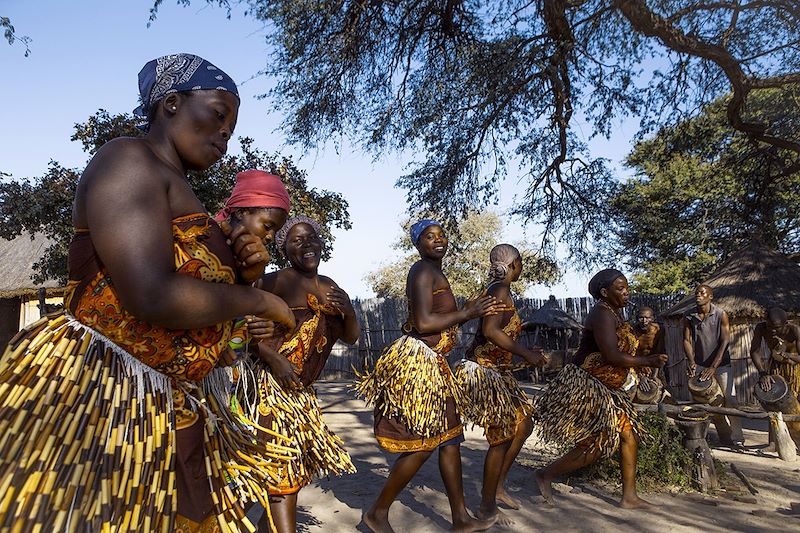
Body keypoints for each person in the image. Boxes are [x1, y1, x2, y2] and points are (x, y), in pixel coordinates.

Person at [0, 54, 298, 531]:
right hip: (107, 401)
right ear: (172, 104)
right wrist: (261, 300)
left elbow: (204, 301)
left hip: (169, 402)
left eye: (233, 125)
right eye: (219, 115)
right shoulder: (128, 159)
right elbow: (152, 294)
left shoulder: (183, 192)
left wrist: (246, 274)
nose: (226, 133)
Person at [357, 219, 501, 533]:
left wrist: (467, 309)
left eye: (441, 234)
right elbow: (423, 323)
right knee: (423, 444)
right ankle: (377, 513)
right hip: (419, 363)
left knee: (450, 440)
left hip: (435, 365)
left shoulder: (435, 272)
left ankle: (461, 519)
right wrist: (469, 313)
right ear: (418, 244)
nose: (438, 240)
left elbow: (439, 317)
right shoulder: (422, 271)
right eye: (429, 236)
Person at [242, 216, 360, 533]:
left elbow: (351, 337)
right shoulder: (272, 283)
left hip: (300, 396)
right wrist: (270, 356)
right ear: (283, 250)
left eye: (311, 238)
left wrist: (348, 311)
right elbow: (241, 332)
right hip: (267, 391)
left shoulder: (331, 287)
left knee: (282, 472)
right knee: (275, 472)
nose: (306, 244)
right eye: (296, 240)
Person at [534, 269, 667, 508]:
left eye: (627, 287)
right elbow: (612, 355)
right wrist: (647, 361)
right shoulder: (601, 314)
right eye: (620, 288)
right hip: (588, 385)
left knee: (627, 435)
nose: (626, 292)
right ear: (605, 293)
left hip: (607, 388)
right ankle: (545, 474)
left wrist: (637, 366)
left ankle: (629, 497)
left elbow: (623, 351)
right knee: (596, 445)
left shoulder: (615, 314)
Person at [455, 244, 547, 524]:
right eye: (520, 263)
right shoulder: (499, 291)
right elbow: (490, 331)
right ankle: (486, 506)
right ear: (515, 265)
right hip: (483, 372)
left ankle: (498, 486)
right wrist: (527, 354)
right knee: (503, 436)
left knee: (525, 423)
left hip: (498, 372)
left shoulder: (499, 290)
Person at [683, 284, 743, 446]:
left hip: (721, 364)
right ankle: (723, 435)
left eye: (702, 293)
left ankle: (738, 438)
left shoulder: (721, 314)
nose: (698, 295)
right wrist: (691, 361)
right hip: (701, 364)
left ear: (711, 296)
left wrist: (714, 366)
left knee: (730, 399)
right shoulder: (689, 316)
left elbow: (725, 342)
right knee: (705, 402)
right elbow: (687, 340)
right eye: (696, 293)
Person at [632, 306, 668, 396]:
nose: (644, 321)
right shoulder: (632, 331)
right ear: (637, 318)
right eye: (641, 318)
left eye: (647, 318)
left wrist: (655, 376)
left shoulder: (658, 330)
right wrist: (640, 375)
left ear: (653, 318)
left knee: (659, 389)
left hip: (654, 365)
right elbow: (631, 355)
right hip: (636, 365)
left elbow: (659, 353)